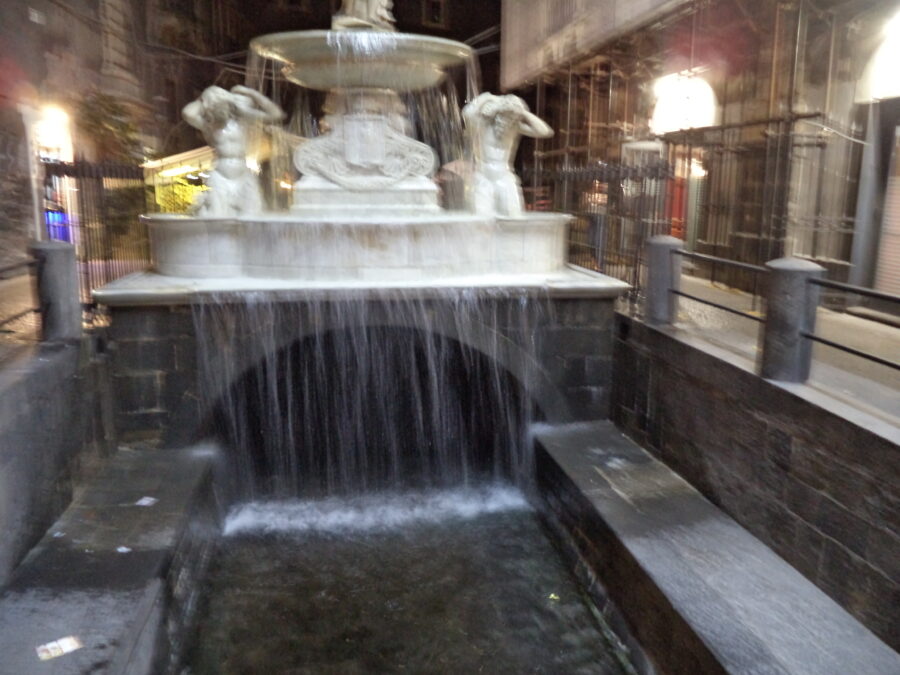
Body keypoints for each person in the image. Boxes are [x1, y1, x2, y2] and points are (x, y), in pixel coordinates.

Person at [182, 85, 284, 217]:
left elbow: (276, 114)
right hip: (220, 176)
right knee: (217, 216)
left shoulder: (244, 121)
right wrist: (206, 97)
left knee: (253, 215)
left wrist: (251, 93)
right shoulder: (209, 126)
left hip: (243, 174)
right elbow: (188, 113)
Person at [463, 93, 553, 217]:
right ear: (497, 115)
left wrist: (523, 113)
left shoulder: (515, 128)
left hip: (504, 178)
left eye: (511, 119)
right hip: (484, 178)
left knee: (513, 216)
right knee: (482, 218)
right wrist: (489, 97)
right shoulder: (483, 125)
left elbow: (544, 131)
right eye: (504, 117)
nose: (506, 122)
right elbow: (467, 113)